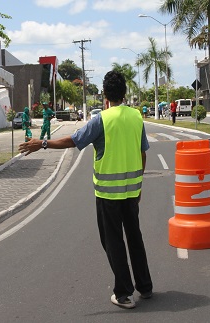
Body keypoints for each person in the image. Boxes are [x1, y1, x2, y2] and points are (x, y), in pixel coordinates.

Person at [19, 70, 153, 309]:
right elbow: (142, 153)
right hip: (132, 192)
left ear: (106, 95)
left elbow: (73, 140)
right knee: (135, 237)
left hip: (108, 194)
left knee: (113, 242)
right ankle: (145, 286)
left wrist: (43, 143)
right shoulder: (136, 117)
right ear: (124, 93)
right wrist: (139, 185)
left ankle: (123, 293)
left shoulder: (102, 120)